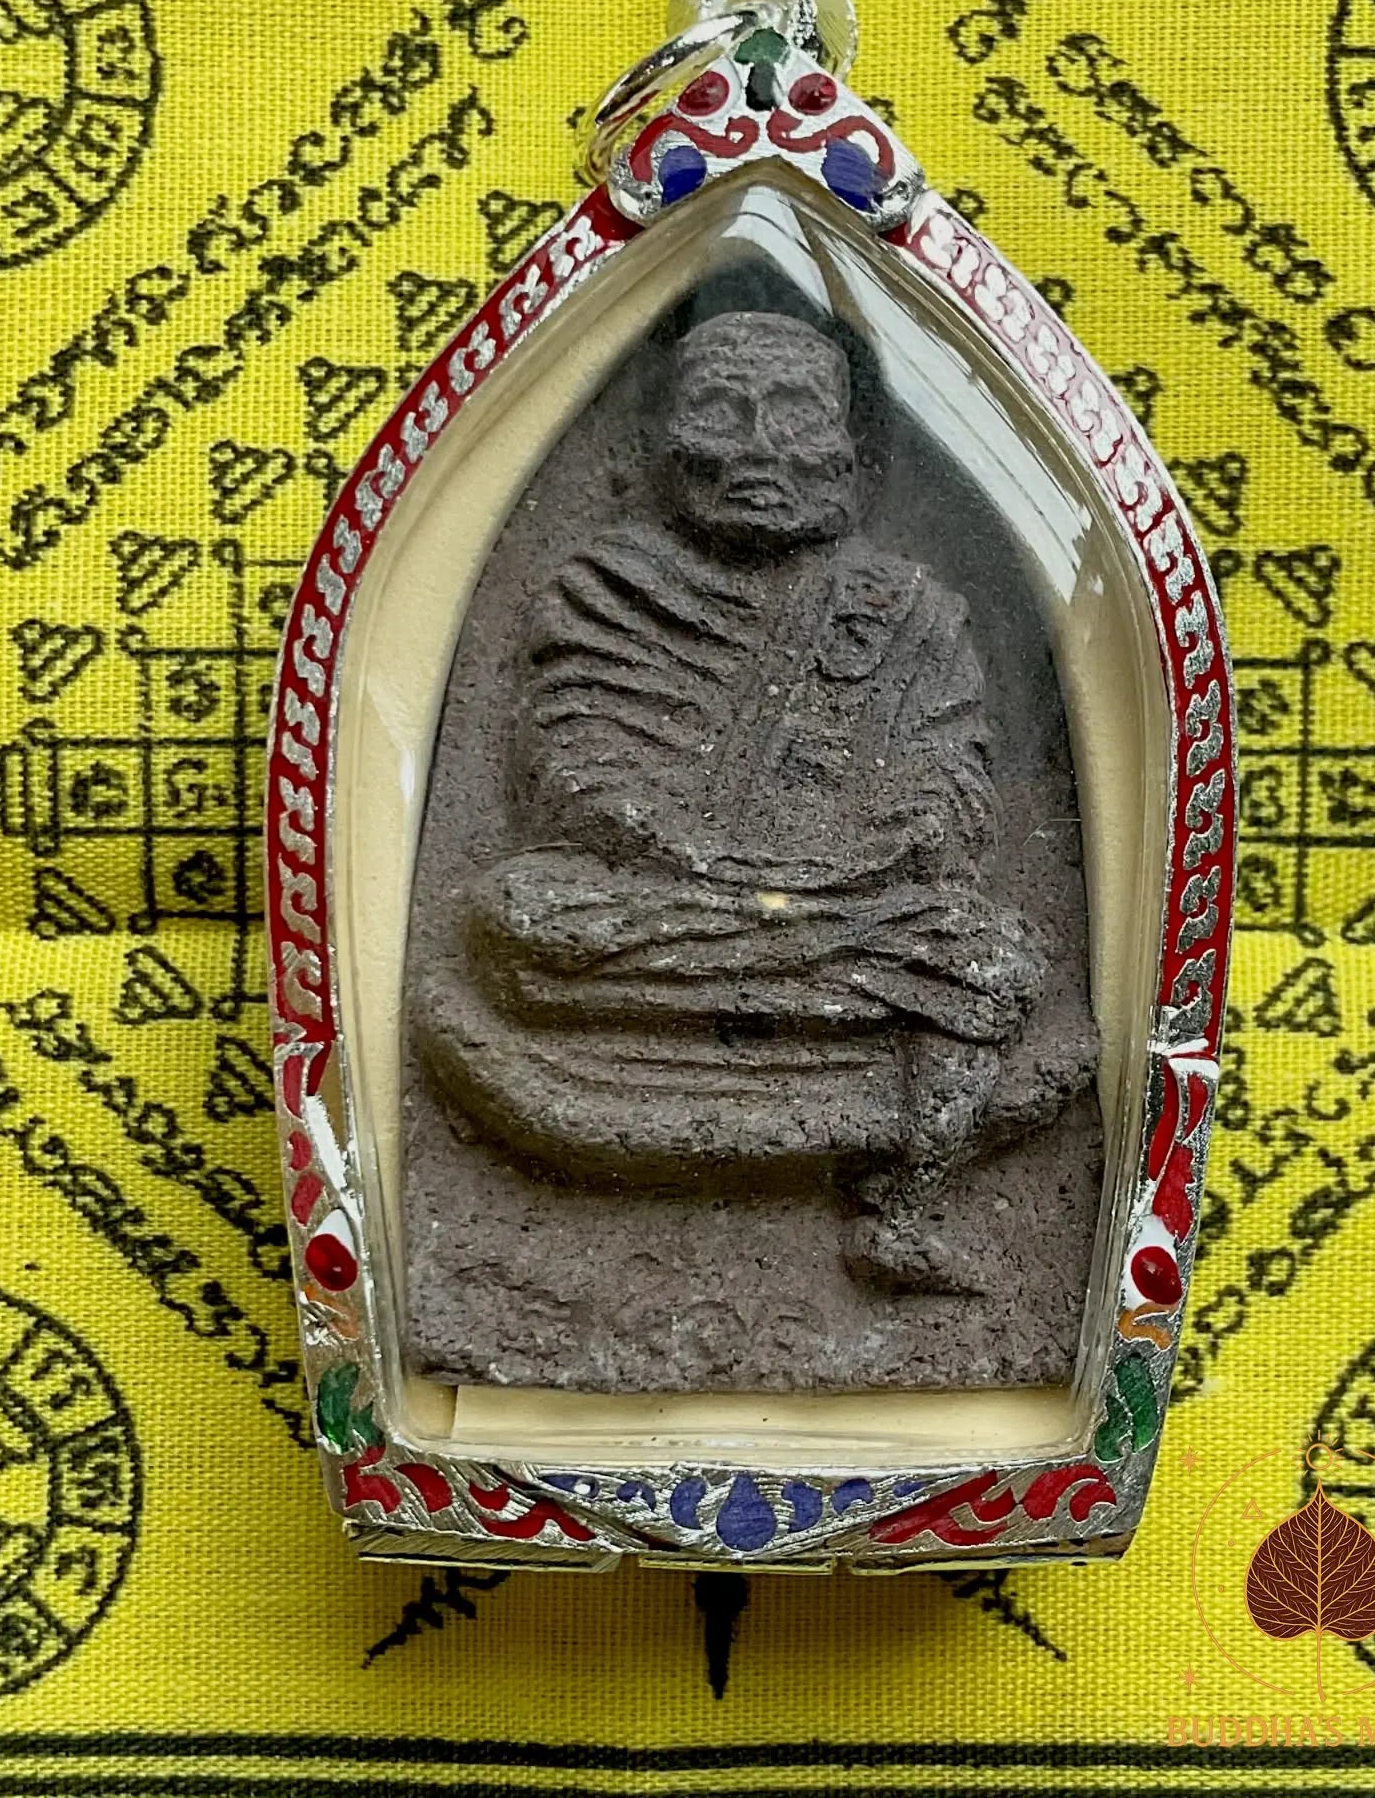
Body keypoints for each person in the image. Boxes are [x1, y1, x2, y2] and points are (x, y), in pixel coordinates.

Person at [414, 310, 1056, 1292]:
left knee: (995, 955)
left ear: (852, 451)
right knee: (518, 918)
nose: (759, 448)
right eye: (721, 412)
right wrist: (690, 851)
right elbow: (568, 771)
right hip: (669, 893)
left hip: (853, 904)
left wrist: (893, 842)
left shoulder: (908, 612)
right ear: (662, 443)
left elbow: (956, 782)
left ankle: (903, 1205)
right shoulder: (608, 589)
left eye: (795, 415)